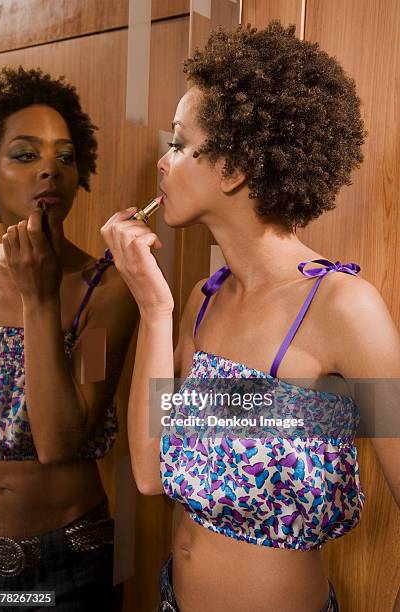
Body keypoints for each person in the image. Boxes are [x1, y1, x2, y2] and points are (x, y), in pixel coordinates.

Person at [101, 22, 400, 612]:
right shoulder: (200, 299)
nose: (164, 162)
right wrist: (154, 309)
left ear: (234, 168)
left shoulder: (345, 307)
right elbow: (148, 475)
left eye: (181, 144)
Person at [0, 67, 137, 610]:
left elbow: (59, 442)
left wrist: (40, 297)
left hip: (66, 568)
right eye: (26, 154)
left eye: (65, 157)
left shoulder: (108, 289)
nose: (49, 170)